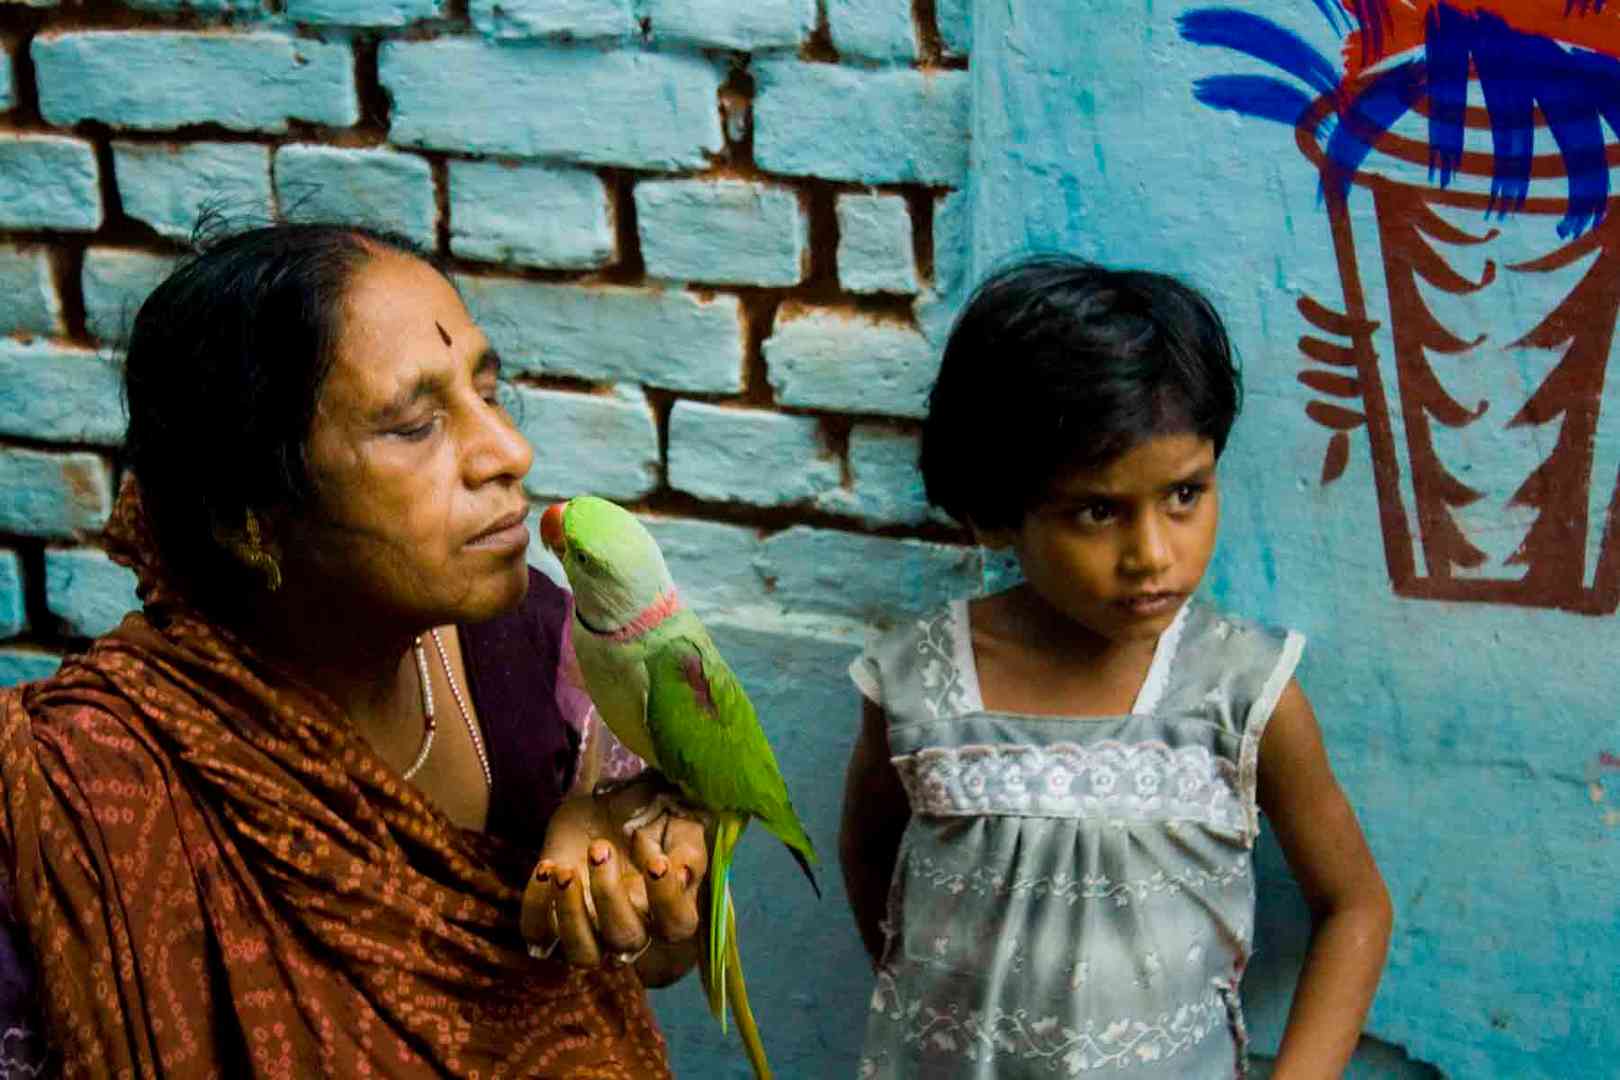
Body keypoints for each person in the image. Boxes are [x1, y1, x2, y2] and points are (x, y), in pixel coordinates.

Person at [0, 223, 709, 1077]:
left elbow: (664, 955)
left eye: (490, 392)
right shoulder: (84, 799)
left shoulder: (543, 649)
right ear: (246, 518)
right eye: (415, 425)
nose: (509, 452)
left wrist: (622, 862)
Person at [838, 256, 1393, 1078]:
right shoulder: (919, 684)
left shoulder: (1240, 689)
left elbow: (1355, 905)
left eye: (1184, 495)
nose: (1152, 554)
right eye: (1098, 511)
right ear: (997, 513)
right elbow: (872, 854)